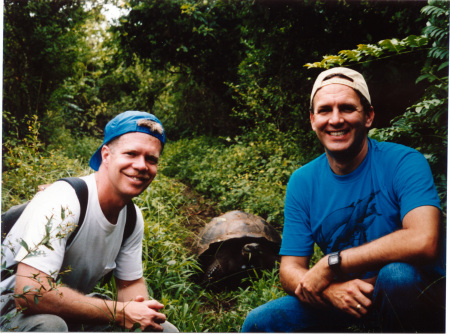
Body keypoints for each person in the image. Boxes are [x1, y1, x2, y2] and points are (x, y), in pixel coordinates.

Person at [242, 67, 445, 332]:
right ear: (313, 120)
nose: (335, 120)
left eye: (347, 108)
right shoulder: (303, 182)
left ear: (369, 116)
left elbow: (423, 240)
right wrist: (331, 292)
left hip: (411, 294)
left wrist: (332, 264)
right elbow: (290, 270)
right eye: (325, 110)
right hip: (346, 297)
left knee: (396, 276)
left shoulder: (404, 162)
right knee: (260, 321)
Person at [1, 110, 179, 332]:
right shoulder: (65, 200)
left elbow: (130, 286)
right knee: (50, 326)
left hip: (69, 303)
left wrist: (142, 313)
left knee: (163, 330)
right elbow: (30, 293)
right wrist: (119, 311)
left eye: (151, 159)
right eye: (131, 153)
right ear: (106, 155)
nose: (142, 165)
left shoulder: (132, 218)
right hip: (10, 305)